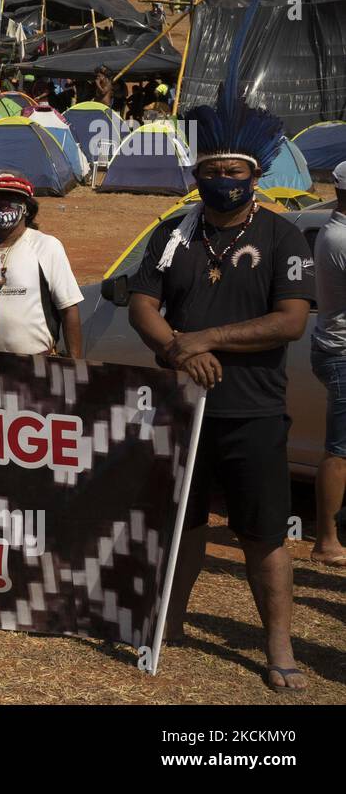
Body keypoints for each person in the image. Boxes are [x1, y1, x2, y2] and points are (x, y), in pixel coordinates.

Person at [126, 90, 313, 693]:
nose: (221, 180)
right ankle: (169, 624)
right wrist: (177, 349)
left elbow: (289, 321)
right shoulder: (173, 234)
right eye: (210, 171)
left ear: (254, 176)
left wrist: (204, 340)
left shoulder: (284, 237)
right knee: (183, 524)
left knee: (261, 533)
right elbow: (141, 305)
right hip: (185, 408)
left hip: (252, 411)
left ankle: (279, 646)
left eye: (232, 172)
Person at [0, 173, 83, 356]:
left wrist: (74, 368)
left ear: (26, 207)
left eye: (13, 198)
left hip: (35, 365)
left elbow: (69, 310)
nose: (4, 205)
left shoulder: (46, 247)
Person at [309, 161, 346, 568]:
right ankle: (326, 540)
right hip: (341, 355)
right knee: (340, 450)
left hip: (333, 349)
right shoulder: (340, 238)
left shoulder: (331, 229)